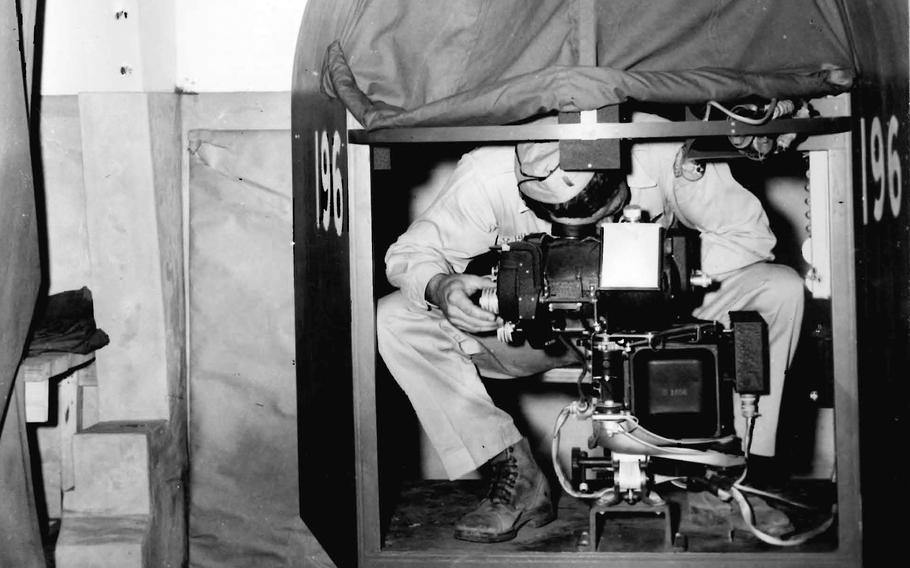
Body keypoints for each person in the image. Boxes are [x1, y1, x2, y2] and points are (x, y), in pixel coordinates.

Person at [376, 112, 804, 543]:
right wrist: (441, 284)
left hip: (656, 330)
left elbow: (750, 236)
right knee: (398, 316)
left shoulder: (660, 145)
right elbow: (411, 253)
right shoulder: (488, 169)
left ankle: (719, 475)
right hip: (541, 333)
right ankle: (514, 473)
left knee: (779, 288)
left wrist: (661, 273)